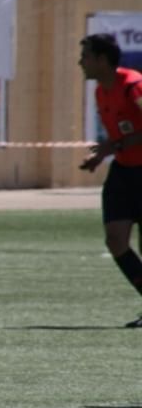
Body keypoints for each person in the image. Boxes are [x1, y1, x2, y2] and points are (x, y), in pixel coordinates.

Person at [77, 33, 142, 327]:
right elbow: (120, 136)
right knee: (116, 240)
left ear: (102, 60)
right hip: (123, 171)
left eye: (86, 56)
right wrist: (102, 155)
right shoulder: (101, 91)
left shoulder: (134, 86)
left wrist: (111, 147)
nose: (81, 62)